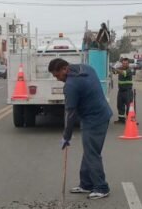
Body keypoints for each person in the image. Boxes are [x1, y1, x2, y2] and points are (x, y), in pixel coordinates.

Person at [48, 58, 112, 200]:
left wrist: (66, 136)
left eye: (57, 75)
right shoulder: (86, 68)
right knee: (89, 151)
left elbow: (70, 114)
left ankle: (102, 187)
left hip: (95, 119)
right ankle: (86, 184)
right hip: (99, 114)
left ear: (65, 69)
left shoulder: (71, 85)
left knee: (92, 154)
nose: (57, 79)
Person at [112, 58, 133, 124]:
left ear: (128, 64)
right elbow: (114, 72)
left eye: (126, 63)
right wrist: (113, 69)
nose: (124, 65)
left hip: (128, 91)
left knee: (129, 106)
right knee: (120, 105)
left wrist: (117, 69)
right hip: (120, 91)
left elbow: (123, 73)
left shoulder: (129, 70)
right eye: (123, 63)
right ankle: (121, 119)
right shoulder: (120, 69)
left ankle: (129, 119)